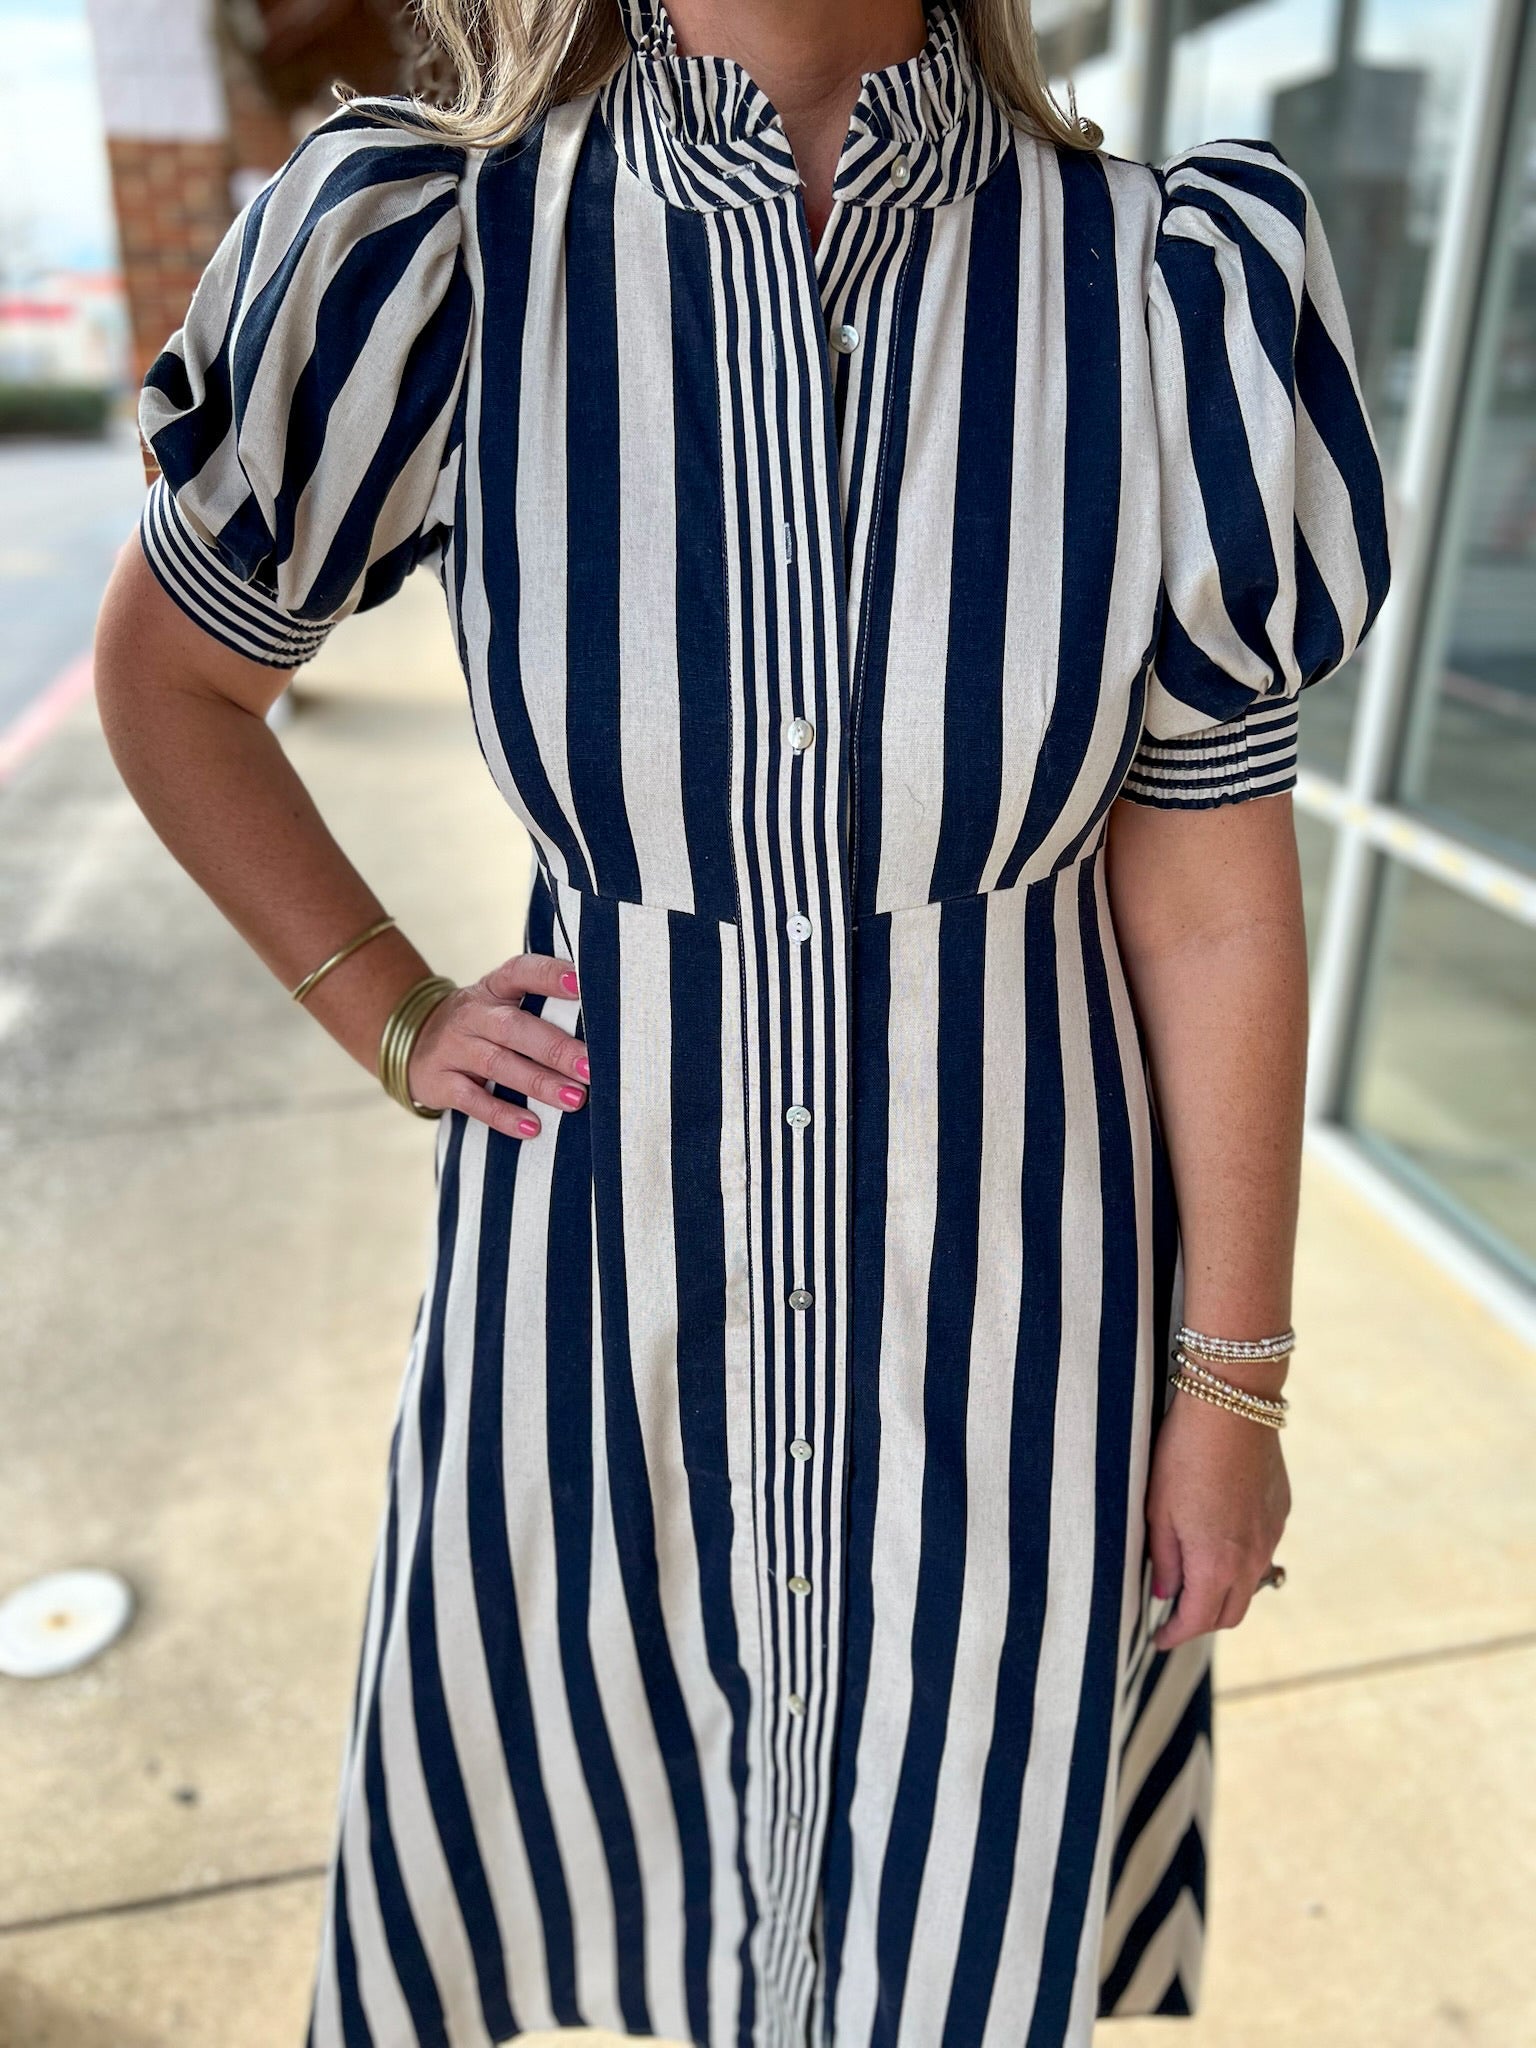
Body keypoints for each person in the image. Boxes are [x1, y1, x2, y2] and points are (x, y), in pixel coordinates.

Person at [92, 0, 1392, 2041]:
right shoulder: (440, 251)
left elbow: (1217, 908)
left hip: (1026, 1332)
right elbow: (174, 681)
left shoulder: (1160, 284)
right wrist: (385, 1002)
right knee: (593, 1831)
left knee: (961, 1905)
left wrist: (1231, 1386)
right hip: (591, 1303)